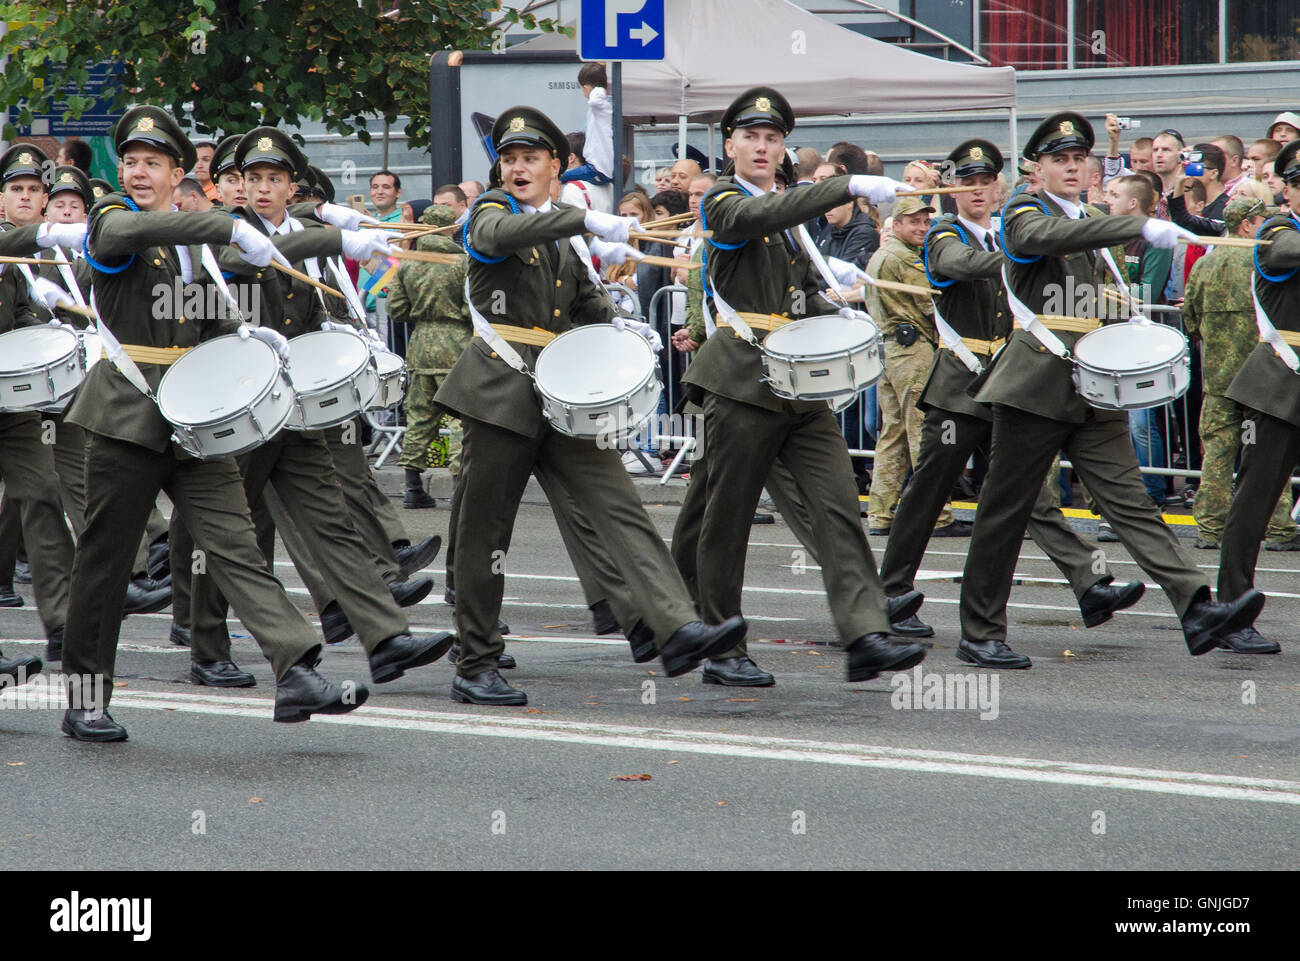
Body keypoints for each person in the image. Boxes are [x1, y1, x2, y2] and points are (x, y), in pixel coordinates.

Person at [50, 105, 375, 741]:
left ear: (178, 172)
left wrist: (250, 339)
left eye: (153, 164)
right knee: (106, 564)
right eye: (132, 161)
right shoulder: (114, 220)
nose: (139, 172)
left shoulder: (193, 247)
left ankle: (296, 669)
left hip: (197, 419)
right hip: (128, 418)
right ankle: (85, 695)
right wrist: (228, 225)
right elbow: (119, 241)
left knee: (236, 545)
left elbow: (206, 318)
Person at [433, 105, 747, 705]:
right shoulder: (490, 213)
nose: (518, 168)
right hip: (500, 393)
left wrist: (626, 337)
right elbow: (499, 239)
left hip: (562, 395)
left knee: (620, 506)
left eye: (531, 159)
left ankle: (674, 625)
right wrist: (582, 221)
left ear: (557, 166)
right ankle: (475, 661)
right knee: (484, 535)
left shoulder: (567, 235)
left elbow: (587, 310)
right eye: (510, 159)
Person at [955, 111, 1264, 670]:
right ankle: (979, 630)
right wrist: (1133, 225)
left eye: (1079, 158)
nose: (1072, 167)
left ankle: (1196, 607)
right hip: (1036, 383)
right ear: (1037, 168)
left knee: (1132, 505)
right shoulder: (1025, 213)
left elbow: (1098, 288)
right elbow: (1041, 239)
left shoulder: (1093, 219)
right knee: (1005, 510)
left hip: (1093, 385)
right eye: (1059, 159)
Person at [679, 85, 929, 687]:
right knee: (726, 516)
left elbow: (793, 291)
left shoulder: (788, 215)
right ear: (730, 144)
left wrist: (835, 310)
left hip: (798, 382)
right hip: (742, 379)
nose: (762, 147)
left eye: (773, 139)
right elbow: (752, 218)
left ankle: (865, 633)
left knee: (838, 504)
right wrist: (843, 186)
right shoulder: (723, 201)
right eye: (751, 138)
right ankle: (721, 641)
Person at [1215, 139, 1300, 653]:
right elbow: (1283, 254)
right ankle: (1231, 610)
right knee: (1254, 503)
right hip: (1280, 384)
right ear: (1288, 189)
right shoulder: (1276, 230)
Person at [1184, 195, 1296, 558]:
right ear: (1247, 224)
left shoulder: (1204, 265)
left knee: (1217, 454)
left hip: (1218, 378)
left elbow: (1189, 319)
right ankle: (1279, 527)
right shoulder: (1260, 258)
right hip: (1262, 378)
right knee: (1264, 457)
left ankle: (1210, 526)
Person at [865, 194, 963, 537]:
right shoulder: (903, 259)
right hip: (912, 353)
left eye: (925, 221)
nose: (922, 227)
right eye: (914, 222)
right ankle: (936, 514)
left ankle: (881, 512)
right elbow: (931, 304)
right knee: (923, 432)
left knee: (892, 434)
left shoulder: (886, 254)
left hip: (891, 352)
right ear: (897, 225)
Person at [389, 203, 471, 508]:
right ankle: (458, 487)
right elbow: (470, 308)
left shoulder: (409, 262)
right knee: (461, 418)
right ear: (451, 227)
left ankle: (413, 488)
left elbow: (395, 309)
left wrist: (421, 313)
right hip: (457, 346)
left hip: (421, 346)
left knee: (420, 417)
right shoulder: (462, 261)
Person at [358, 169, 403, 331]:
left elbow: (397, 262)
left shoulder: (403, 221)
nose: (379, 192)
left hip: (386, 307)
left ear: (398, 192)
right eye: (375, 187)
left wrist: (374, 290)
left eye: (386, 187)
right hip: (363, 308)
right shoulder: (367, 223)